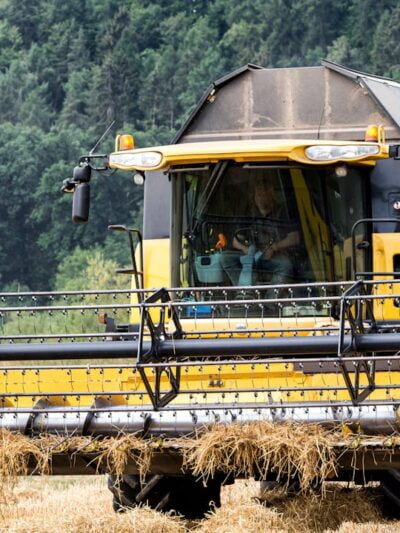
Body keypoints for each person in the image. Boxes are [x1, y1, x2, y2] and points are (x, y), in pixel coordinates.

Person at [220, 178, 300, 286]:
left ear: (271, 194)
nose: (261, 198)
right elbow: (235, 240)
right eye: (258, 195)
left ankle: (270, 300)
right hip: (251, 254)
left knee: (286, 266)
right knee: (225, 258)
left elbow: (294, 238)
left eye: (264, 194)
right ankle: (242, 292)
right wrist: (246, 250)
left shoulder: (283, 212)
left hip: (274, 256)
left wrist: (274, 248)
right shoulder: (249, 214)